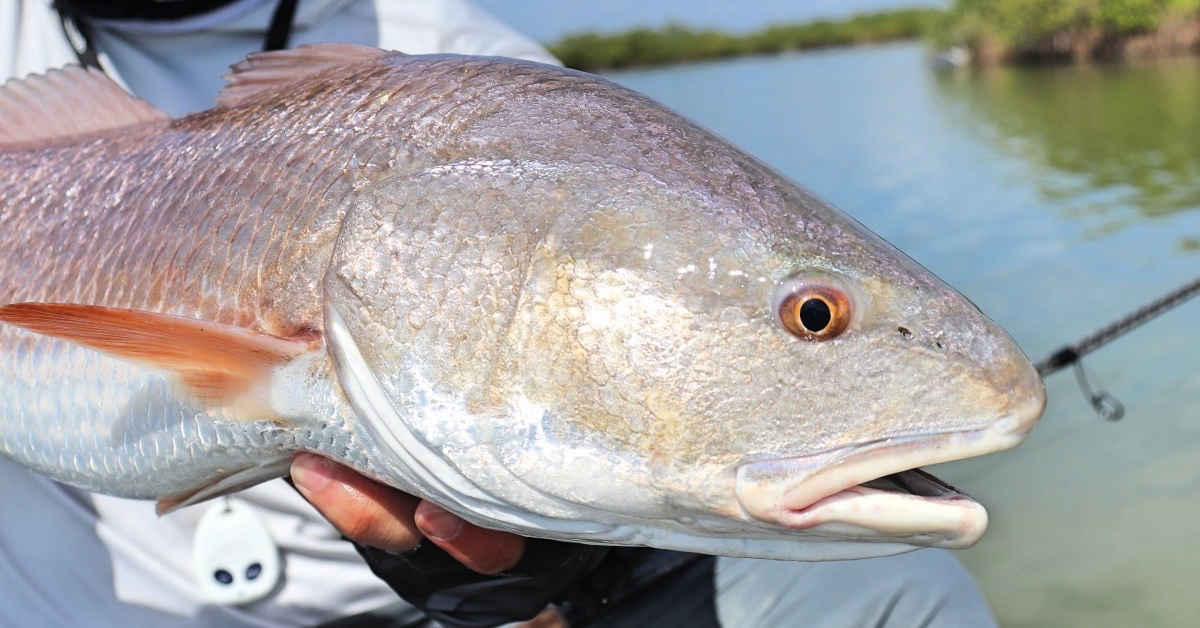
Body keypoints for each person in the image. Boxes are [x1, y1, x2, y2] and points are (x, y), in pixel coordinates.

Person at [0, 1, 999, 626]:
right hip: (74, 600)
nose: (814, 323)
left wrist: (567, 568)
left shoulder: (467, 63)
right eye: (813, 316)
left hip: (410, 609)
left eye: (811, 316)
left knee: (901, 598)